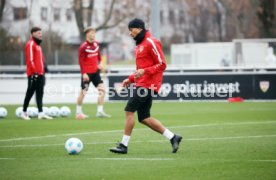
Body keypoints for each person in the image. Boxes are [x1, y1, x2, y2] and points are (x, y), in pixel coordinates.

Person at [110, 18, 182, 154]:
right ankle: (173, 137)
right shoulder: (140, 45)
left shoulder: (151, 42)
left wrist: (144, 71)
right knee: (144, 118)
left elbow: (162, 64)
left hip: (148, 85)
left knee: (129, 110)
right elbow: (141, 70)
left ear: (138, 28)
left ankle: (123, 145)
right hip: (142, 84)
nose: (130, 33)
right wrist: (130, 79)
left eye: (131, 30)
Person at [76, 27, 110, 120]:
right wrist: (84, 73)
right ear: (87, 34)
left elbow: (99, 57)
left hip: (95, 73)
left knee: (102, 90)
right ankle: (78, 113)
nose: (93, 35)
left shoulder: (96, 44)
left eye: (94, 33)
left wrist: (100, 64)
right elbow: (81, 61)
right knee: (83, 92)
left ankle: (99, 111)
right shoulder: (83, 47)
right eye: (91, 33)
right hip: (87, 74)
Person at [21, 27, 52, 120]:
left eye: (40, 33)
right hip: (33, 74)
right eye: (38, 33)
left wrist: (45, 68)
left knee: (40, 93)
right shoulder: (30, 44)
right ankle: (24, 112)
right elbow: (30, 60)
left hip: (41, 74)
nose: (40, 34)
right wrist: (35, 72)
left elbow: (41, 59)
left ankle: (41, 113)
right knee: (29, 93)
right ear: (33, 33)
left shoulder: (38, 45)